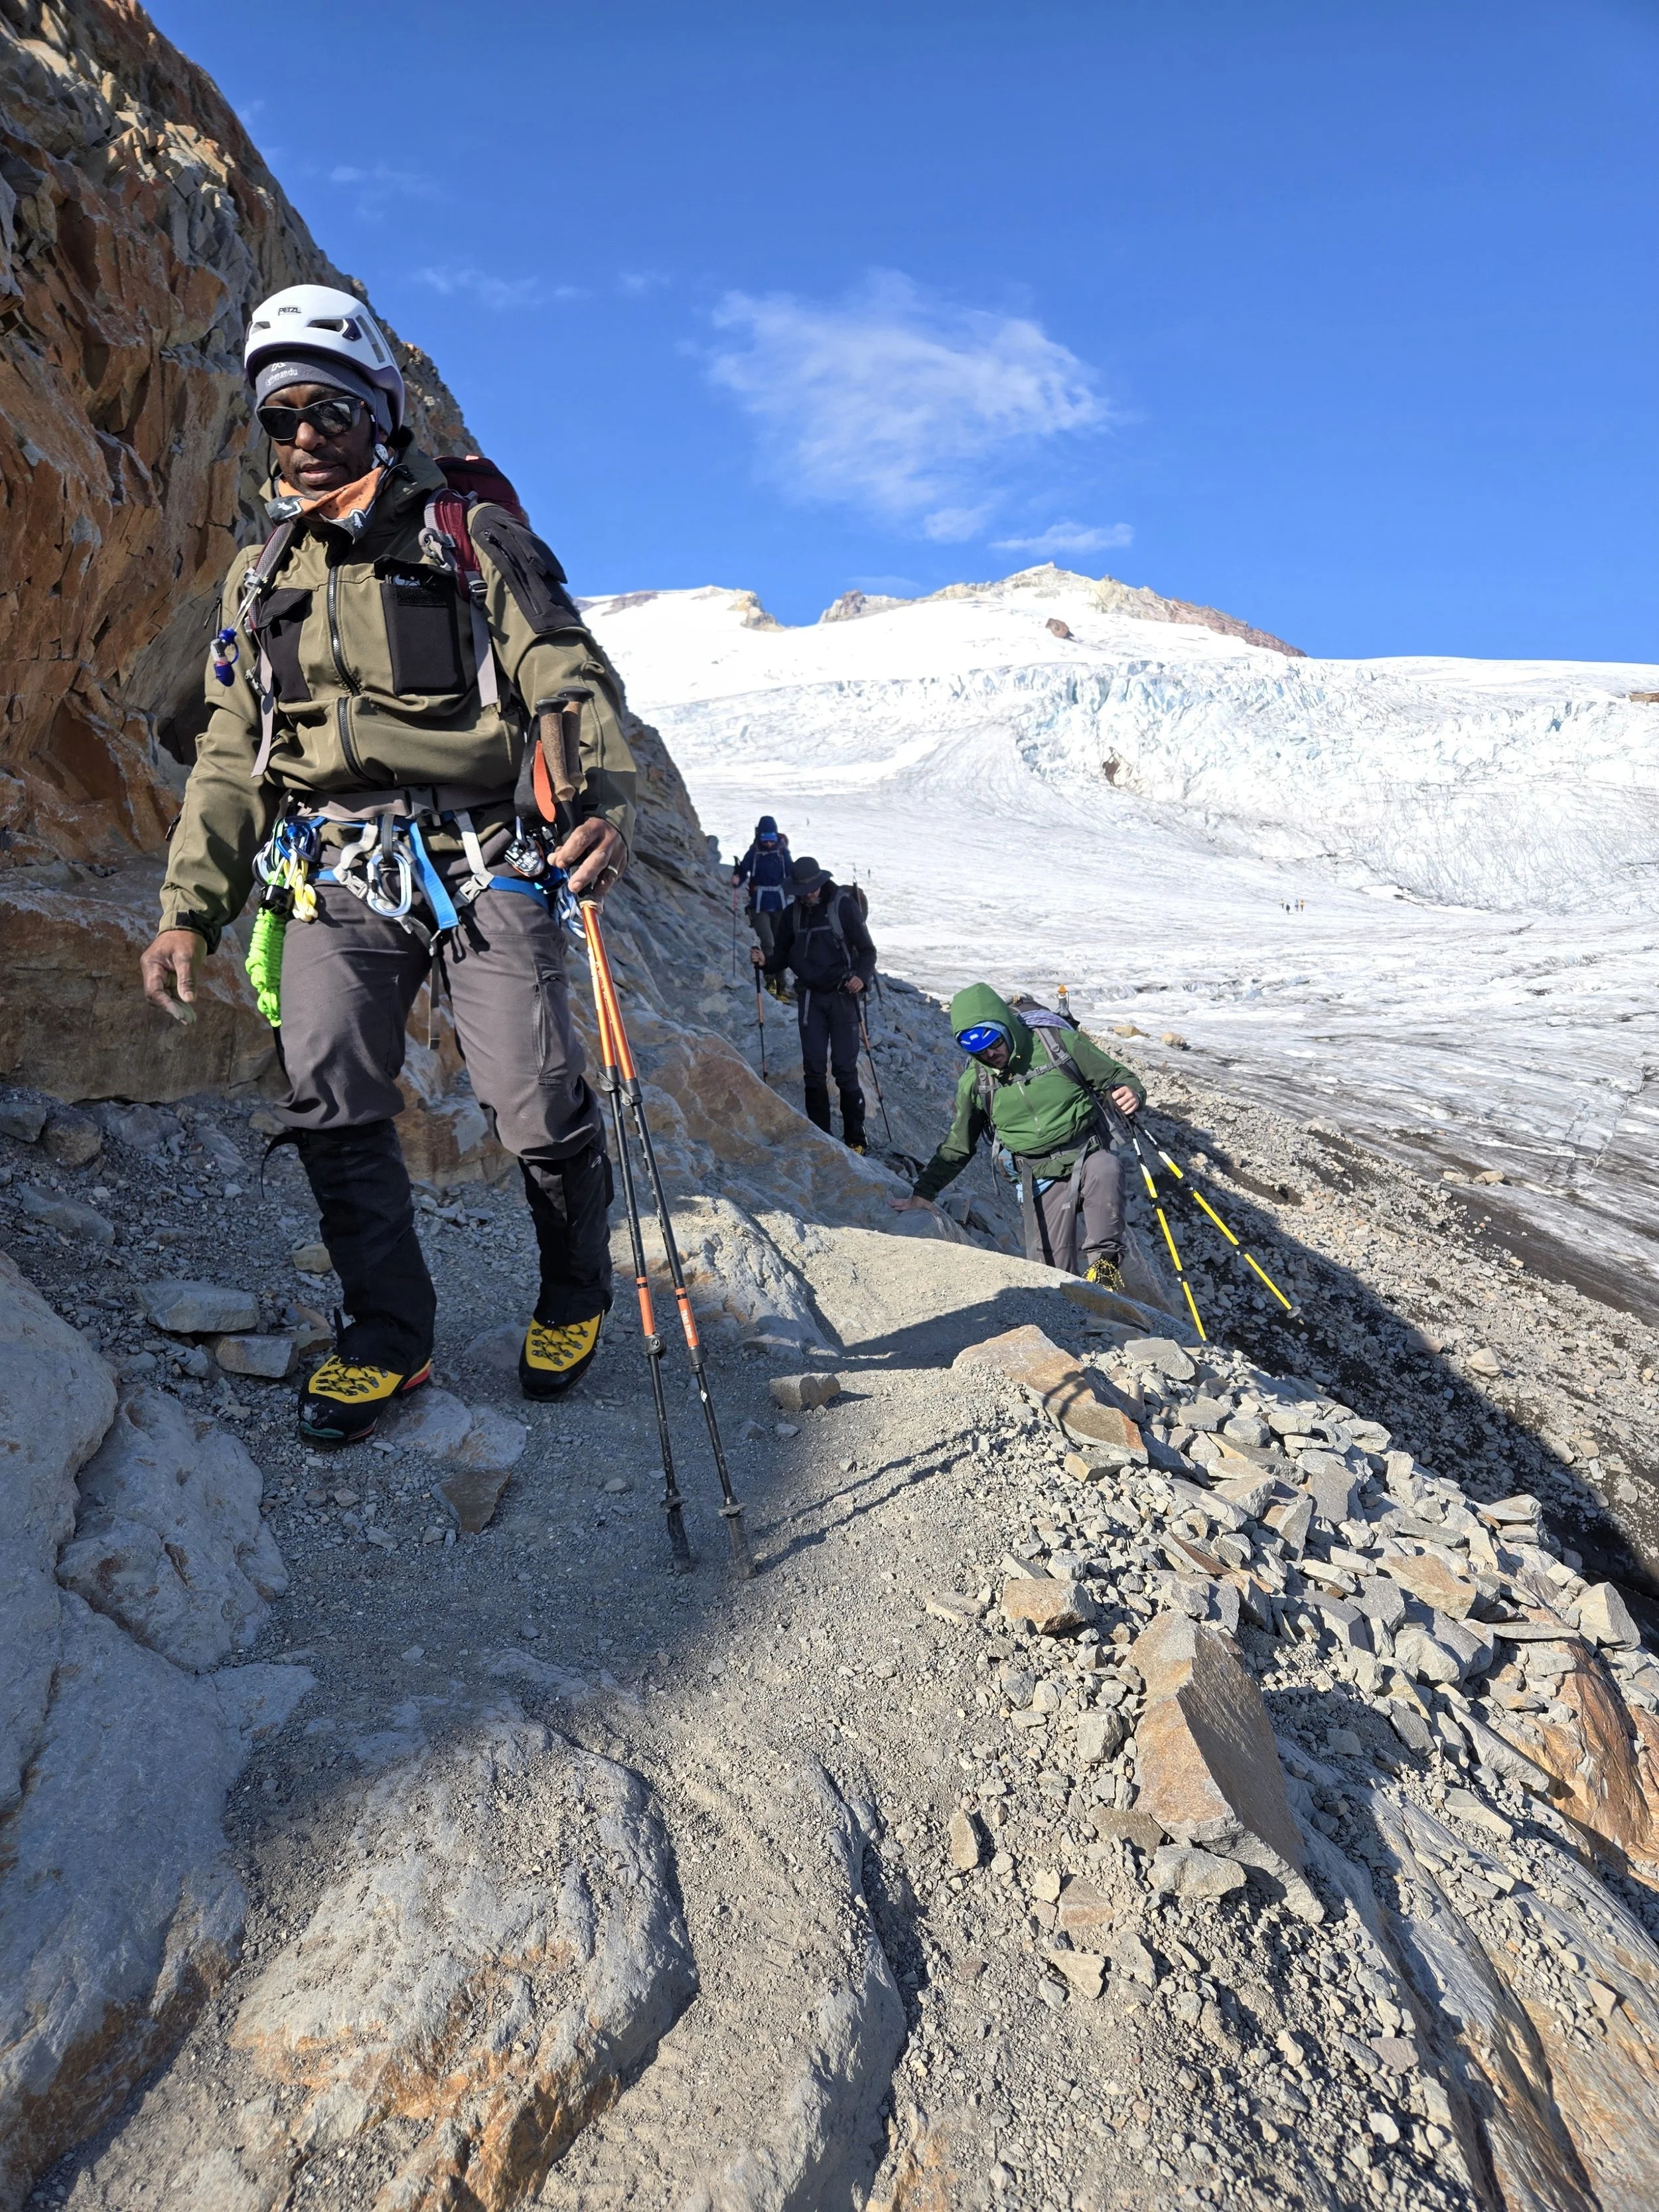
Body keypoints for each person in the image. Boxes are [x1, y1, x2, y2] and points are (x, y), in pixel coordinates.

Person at [139, 283, 634, 1445]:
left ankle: (573, 1292)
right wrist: (188, 909)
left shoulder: (467, 533)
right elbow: (229, 755)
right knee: (329, 1093)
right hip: (334, 863)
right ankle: (387, 1339)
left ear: (379, 416)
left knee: (529, 1097)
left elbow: (563, 672)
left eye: (330, 414)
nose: (305, 440)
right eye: (281, 417)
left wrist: (602, 796)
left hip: (482, 848)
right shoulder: (258, 577)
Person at [891, 986, 1144, 1286]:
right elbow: (959, 1145)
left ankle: (1104, 1268)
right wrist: (924, 1194)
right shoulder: (976, 1083)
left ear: (1006, 1028)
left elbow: (1118, 1076)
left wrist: (1132, 1093)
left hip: (1085, 1154)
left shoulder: (1057, 1045)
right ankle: (1070, 1315)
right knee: (1052, 1275)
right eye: (979, 1051)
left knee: (1106, 1167)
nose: (991, 1054)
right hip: (1037, 1175)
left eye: (995, 1043)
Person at [753, 855, 875, 1151]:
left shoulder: (843, 906)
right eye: (802, 890)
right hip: (809, 998)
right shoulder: (792, 914)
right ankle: (820, 1137)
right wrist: (766, 961)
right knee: (814, 1070)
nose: (809, 894)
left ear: (821, 882)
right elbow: (782, 955)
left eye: (812, 888)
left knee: (845, 1070)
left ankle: (855, 1139)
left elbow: (868, 951)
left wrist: (860, 977)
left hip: (843, 996)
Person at [731, 814, 792, 995]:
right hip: (759, 904)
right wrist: (738, 877)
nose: (768, 843)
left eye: (771, 839)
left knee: (780, 944)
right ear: (759, 836)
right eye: (765, 839)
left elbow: (791, 872)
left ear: (777, 836)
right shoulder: (754, 852)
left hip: (779, 903)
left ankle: (781, 985)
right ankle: (770, 983)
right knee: (768, 942)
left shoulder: (783, 852)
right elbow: (743, 871)